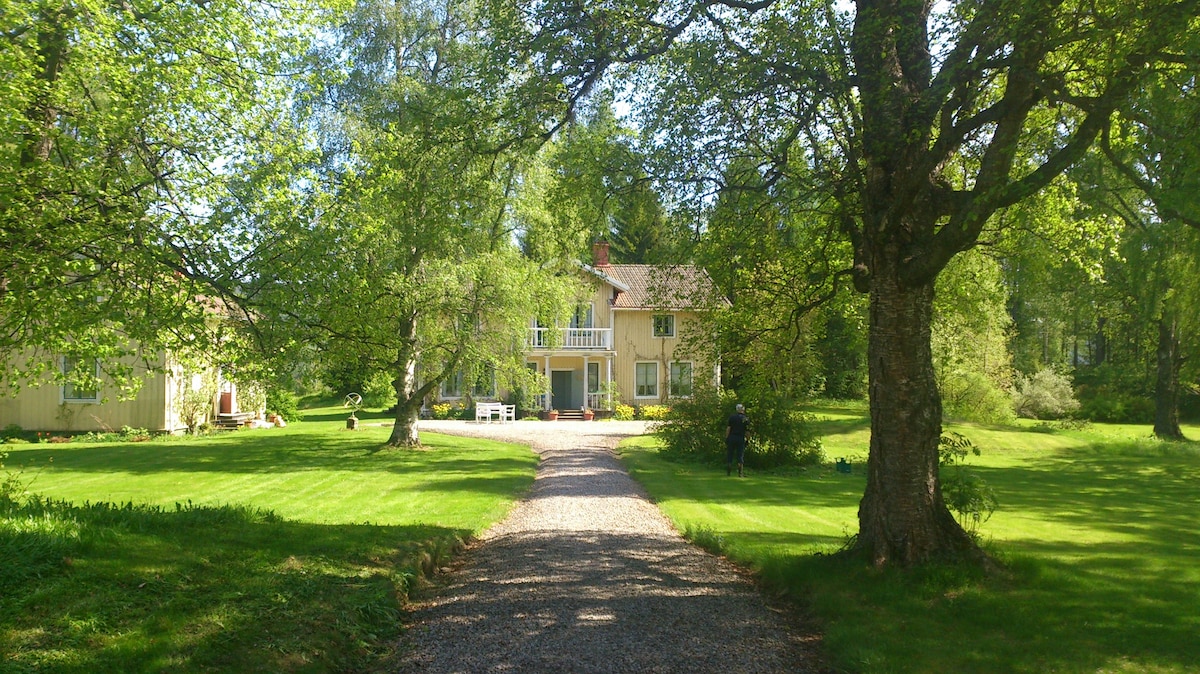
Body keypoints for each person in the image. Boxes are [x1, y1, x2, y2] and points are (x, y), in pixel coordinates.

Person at [725, 403, 749, 477]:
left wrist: (727, 438)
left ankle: (728, 471)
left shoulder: (732, 417)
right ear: (743, 409)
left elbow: (728, 428)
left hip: (732, 437)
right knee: (740, 455)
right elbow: (747, 431)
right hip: (740, 438)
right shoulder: (745, 419)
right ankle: (740, 473)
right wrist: (748, 440)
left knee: (730, 454)